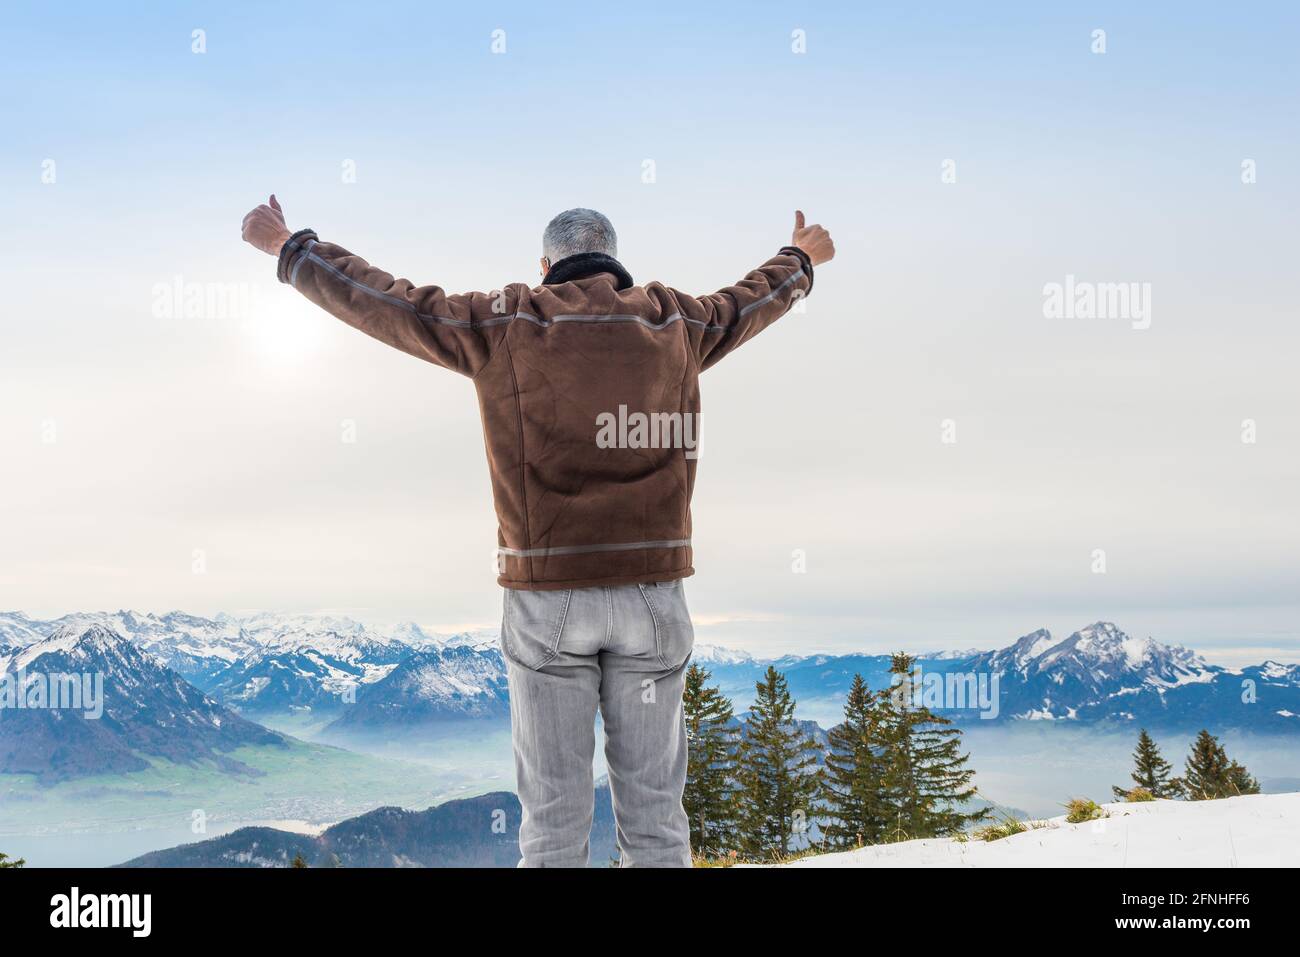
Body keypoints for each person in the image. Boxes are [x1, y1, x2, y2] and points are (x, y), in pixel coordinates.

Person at [242, 199, 835, 866]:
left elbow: (389, 303)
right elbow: (751, 300)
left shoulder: (505, 322)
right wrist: (803, 257)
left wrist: (291, 249)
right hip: (652, 595)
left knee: (553, 824)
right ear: (615, 261)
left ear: (546, 265)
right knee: (656, 821)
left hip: (548, 597)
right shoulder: (676, 320)